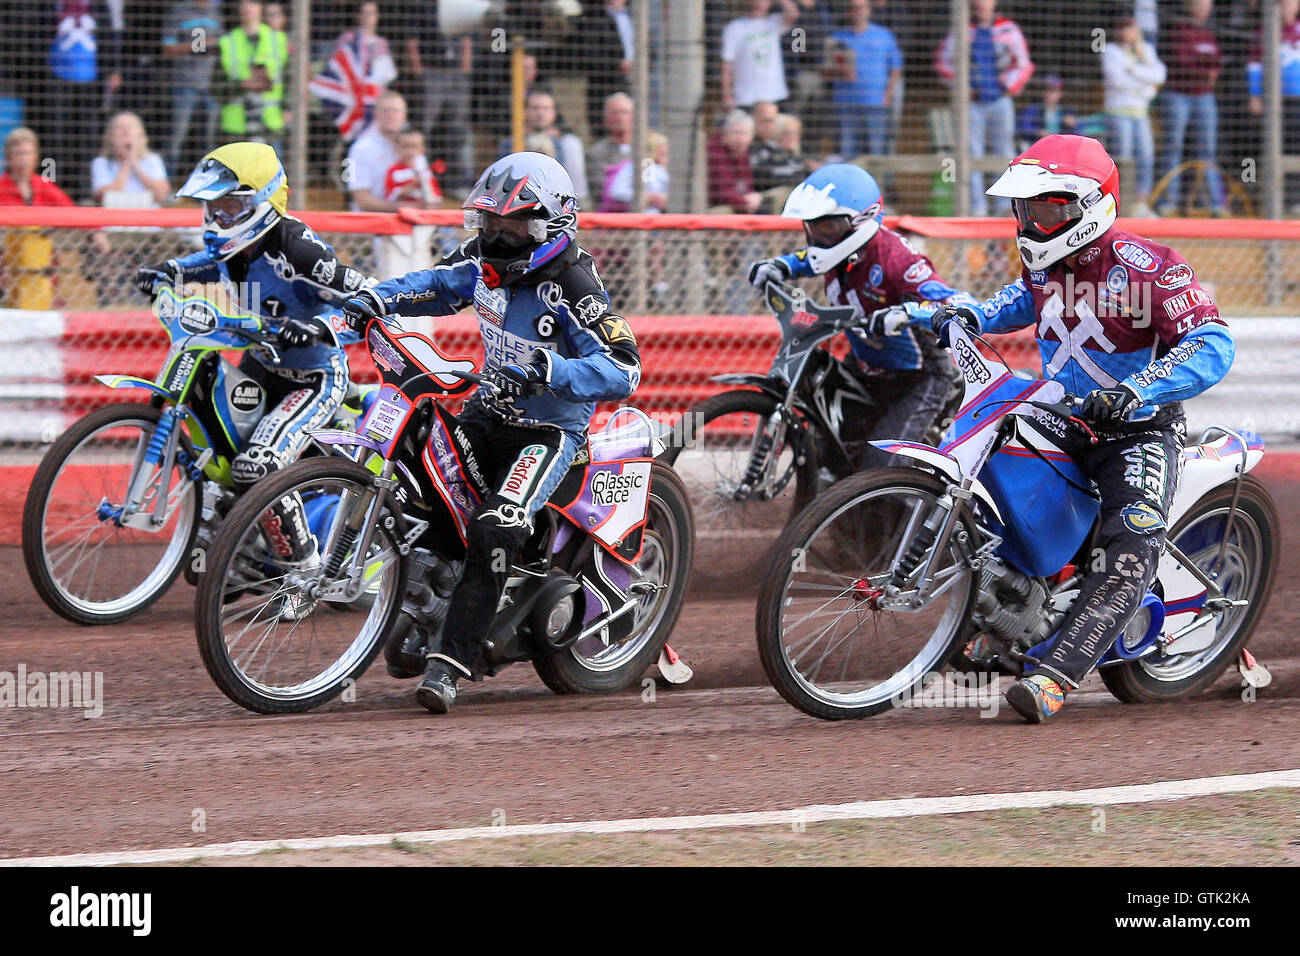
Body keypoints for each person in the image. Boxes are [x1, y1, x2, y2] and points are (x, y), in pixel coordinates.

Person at [928, 134, 1234, 722]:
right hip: (1063, 414)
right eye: (1026, 209)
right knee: (988, 453)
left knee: (1133, 542)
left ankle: (1056, 676)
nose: (1033, 221)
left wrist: (1136, 390)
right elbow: (1028, 296)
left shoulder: (1152, 268)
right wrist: (975, 312)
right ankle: (1005, 602)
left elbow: (1212, 341)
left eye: (1047, 209)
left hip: (1137, 431)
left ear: (1089, 206)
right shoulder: (1046, 260)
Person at [340, 152, 641, 714]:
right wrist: (378, 296)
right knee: (421, 481)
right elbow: (439, 284)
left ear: (553, 225)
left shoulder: (574, 284)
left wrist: (551, 370)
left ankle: (452, 662)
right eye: (491, 226)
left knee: (495, 524)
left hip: (548, 431)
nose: (499, 240)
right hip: (487, 410)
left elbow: (625, 368)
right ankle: (430, 594)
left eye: (515, 228)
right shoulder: (481, 261)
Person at [134, 142, 373, 562]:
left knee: (257, 465)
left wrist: (319, 327)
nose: (217, 219)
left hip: (314, 379)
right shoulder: (233, 249)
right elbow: (213, 264)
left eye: (230, 207)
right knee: (222, 460)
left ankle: (305, 569)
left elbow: (368, 300)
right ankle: (246, 545)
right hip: (259, 364)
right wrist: (170, 271)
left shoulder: (299, 251)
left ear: (263, 202)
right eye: (213, 208)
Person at [746, 163, 975, 468]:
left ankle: (912, 505)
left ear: (859, 221)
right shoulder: (837, 248)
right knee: (828, 447)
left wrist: (907, 312)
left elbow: (956, 303)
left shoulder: (898, 259)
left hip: (921, 376)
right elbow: (810, 259)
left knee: (879, 464)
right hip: (866, 365)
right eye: (812, 227)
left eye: (826, 227)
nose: (817, 235)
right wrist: (782, 265)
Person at [935, 0, 1035, 215]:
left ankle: (1003, 207)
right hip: (970, 103)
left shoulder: (1008, 29)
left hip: (1001, 100)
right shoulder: (961, 30)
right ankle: (975, 208)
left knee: (1003, 152)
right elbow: (943, 62)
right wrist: (962, 87)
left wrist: (1008, 86)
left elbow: (1024, 64)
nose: (981, 4)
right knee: (971, 153)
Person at [1156, 0, 1226, 215]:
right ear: (1190, 6)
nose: (1205, 9)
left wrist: (1203, 66)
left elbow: (1216, 62)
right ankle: (1167, 202)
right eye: (1201, 4)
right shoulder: (1178, 30)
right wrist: (1205, 68)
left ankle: (1215, 204)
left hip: (1204, 95)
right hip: (1177, 94)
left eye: (1208, 5)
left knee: (1207, 150)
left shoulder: (1209, 32)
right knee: (1173, 148)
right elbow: (1181, 61)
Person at [1102, 17, 1165, 216]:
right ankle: (1121, 202)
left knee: (1146, 157)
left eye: (1130, 27)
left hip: (1141, 112)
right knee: (1124, 157)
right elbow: (1118, 81)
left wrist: (1133, 70)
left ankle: (1140, 203)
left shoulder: (1145, 50)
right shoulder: (1110, 51)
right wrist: (1145, 80)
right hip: (1119, 112)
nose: (1127, 31)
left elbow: (1160, 75)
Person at [405, 5, 472, 194]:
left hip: (456, 75)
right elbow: (412, 41)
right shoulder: (424, 7)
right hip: (431, 73)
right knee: (425, 128)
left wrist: (464, 70)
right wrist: (419, 72)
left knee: (457, 131)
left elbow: (466, 39)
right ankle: (421, 183)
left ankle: (455, 183)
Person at [825, 0, 902, 159]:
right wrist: (840, 72)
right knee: (847, 151)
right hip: (846, 104)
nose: (858, 11)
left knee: (876, 150)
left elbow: (896, 68)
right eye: (853, 7)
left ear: (869, 10)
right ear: (848, 11)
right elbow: (826, 71)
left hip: (875, 102)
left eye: (861, 7)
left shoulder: (884, 35)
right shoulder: (836, 38)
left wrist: (887, 95)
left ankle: (879, 184)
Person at [216, 0, 287, 155]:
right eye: (242, 4)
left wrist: (288, 108)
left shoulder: (278, 40)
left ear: (261, 7)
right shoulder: (227, 41)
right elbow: (215, 87)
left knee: (272, 176)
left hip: (270, 123)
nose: (247, 8)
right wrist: (242, 85)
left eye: (252, 3)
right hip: (237, 126)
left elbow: (290, 79)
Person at [1248, 0, 1300, 212]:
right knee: (1267, 150)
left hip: (1298, 102)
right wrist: (1254, 96)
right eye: (1286, 2)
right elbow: (1253, 66)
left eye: (1293, 3)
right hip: (1275, 103)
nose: (1289, 7)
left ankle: (1296, 199)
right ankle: (1269, 201)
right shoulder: (1266, 30)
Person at [162, 0, 223, 175]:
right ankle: (167, 185)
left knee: (209, 140)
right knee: (176, 138)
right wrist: (198, 45)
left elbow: (223, 46)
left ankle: (206, 186)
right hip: (184, 84)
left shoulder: (216, 11)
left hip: (211, 85)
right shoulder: (178, 11)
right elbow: (167, 49)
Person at [720, 0, 801, 111]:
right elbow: (727, 64)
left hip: (775, 95)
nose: (758, 3)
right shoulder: (734, 28)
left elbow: (793, 13)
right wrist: (727, 96)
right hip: (746, 98)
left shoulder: (774, 22)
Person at [513, 88, 588, 206]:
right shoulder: (513, 143)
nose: (540, 113)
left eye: (546, 108)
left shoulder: (564, 144)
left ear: (554, 113)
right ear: (525, 112)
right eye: (535, 108)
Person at [344, 91, 407, 211]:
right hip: (371, 223)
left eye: (395, 110)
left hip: (407, 223)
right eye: (385, 110)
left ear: (404, 115)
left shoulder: (412, 146)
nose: (390, 115)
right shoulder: (360, 148)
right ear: (375, 114)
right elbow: (361, 199)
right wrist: (404, 208)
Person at [0, 128, 75, 206]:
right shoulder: (1, 187)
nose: (23, 159)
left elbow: (69, 208)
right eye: (18, 153)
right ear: (8, 156)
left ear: (35, 156)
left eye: (27, 153)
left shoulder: (43, 185)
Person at [708, 110, 762, 213]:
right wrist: (744, 201)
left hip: (739, 202)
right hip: (716, 208)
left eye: (744, 134)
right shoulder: (715, 151)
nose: (740, 139)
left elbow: (747, 185)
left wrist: (752, 197)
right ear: (725, 134)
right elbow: (720, 192)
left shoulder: (743, 152)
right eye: (736, 133)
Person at [586, 92, 634, 202]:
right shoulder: (597, 152)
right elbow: (601, 189)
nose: (620, 117)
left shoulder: (647, 147)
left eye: (624, 112)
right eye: (614, 113)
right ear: (606, 119)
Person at [1015, 74, 1078, 150]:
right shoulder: (1032, 109)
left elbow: (1078, 136)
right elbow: (1022, 127)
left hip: (1061, 147)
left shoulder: (1066, 111)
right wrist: (1037, 132)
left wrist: (1072, 125)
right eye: (1047, 90)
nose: (1049, 94)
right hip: (1039, 146)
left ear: (1060, 94)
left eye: (1053, 91)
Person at [381, 128, 441, 206]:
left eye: (414, 147)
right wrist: (409, 187)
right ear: (396, 148)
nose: (409, 151)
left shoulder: (425, 171)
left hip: (424, 213)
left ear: (422, 149)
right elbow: (389, 197)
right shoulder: (393, 171)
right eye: (405, 147)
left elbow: (436, 195)